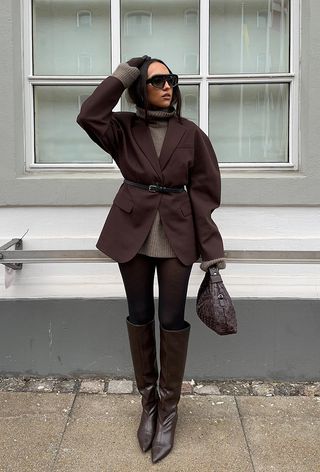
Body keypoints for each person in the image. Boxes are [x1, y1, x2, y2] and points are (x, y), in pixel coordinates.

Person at [76, 55, 226, 463]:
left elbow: (205, 194)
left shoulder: (191, 133)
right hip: (132, 233)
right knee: (139, 316)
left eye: (172, 80)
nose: (167, 86)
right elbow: (89, 114)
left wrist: (211, 250)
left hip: (177, 237)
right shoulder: (122, 128)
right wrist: (125, 70)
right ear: (140, 87)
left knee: (171, 322)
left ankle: (169, 409)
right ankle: (148, 404)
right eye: (157, 80)